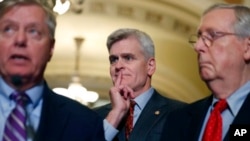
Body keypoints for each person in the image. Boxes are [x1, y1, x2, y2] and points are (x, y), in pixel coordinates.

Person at [0, 0, 105, 141]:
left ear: (51, 48)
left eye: (33, 31)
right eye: (8, 29)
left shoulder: (86, 123)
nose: (20, 39)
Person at [161, 3, 250, 141]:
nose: (198, 47)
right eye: (199, 37)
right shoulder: (178, 120)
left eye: (212, 36)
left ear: (247, 48)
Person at [94, 28, 186, 141]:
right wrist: (116, 114)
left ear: (150, 66)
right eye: (113, 60)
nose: (118, 66)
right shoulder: (94, 116)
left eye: (128, 58)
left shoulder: (180, 113)